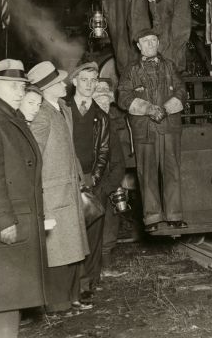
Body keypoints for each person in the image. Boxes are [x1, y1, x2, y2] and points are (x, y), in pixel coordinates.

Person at [0, 60, 46, 338]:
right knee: (2, 302)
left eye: (21, 87)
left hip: (20, 216)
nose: (19, 92)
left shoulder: (9, 116)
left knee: (10, 301)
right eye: (12, 86)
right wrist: (3, 220)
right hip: (8, 222)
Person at [28, 61, 90, 315]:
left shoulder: (61, 108)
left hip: (69, 186)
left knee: (73, 247)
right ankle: (57, 303)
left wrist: (78, 173)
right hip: (53, 190)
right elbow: (34, 155)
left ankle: (72, 297)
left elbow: (69, 147)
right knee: (57, 250)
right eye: (58, 82)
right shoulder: (42, 114)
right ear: (46, 88)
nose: (64, 84)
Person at [118, 28, 188, 232]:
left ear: (158, 43)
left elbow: (182, 91)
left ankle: (175, 216)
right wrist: (148, 109)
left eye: (153, 40)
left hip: (169, 127)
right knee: (147, 174)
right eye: (145, 41)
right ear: (138, 46)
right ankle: (152, 219)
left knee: (172, 171)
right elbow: (123, 97)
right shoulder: (131, 70)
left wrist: (165, 109)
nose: (150, 44)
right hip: (145, 130)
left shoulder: (170, 66)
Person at [67, 62, 110, 297]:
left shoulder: (101, 116)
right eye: (85, 80)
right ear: (74, 82)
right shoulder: (63, 110)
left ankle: (88, 285)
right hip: (68, 179)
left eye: (94, 81)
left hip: (91, 181)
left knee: (93, 235)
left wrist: (93, 179)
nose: (89, 85)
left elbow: (104, 151)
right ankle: (71, 282)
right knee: (71, 233)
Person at [92, 79, 126, 275]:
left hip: (109, 182)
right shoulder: (90, 123)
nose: (104, 103)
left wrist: (112, 184)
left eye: (107, 100)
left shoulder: (111, 123)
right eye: (100, 99)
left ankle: (105, 266)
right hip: (94, 182)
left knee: (110, 223)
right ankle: (94, 268)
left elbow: (118, 159)